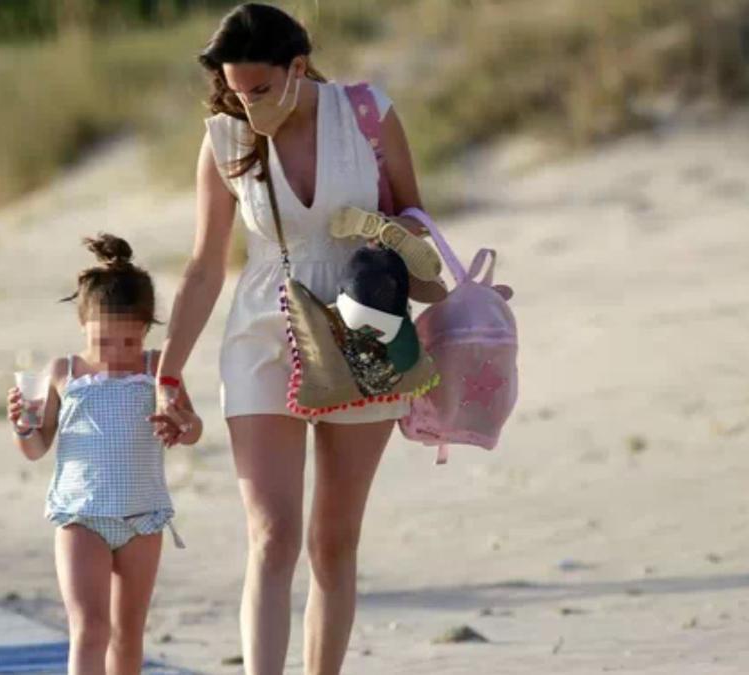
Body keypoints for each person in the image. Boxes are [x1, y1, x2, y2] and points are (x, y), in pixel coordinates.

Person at [154, 4, 438, 673]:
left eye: (259, 89)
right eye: (234, 89)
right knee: (272, 535)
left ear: (298, 68)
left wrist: (384, 235)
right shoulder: (224, 137)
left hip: (366, 322)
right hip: (263, 328)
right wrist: (168, 374)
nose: (245, 104)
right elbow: (203, 264)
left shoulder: (366, 114)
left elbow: (417, 219)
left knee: (333, 541)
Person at [6, 234, 202, 674]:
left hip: (142, 518)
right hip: (81, 517)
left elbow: (192, 427)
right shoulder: (64, 372)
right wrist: (23, 425)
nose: (115, 356)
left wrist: (181, 425)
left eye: (128, 343)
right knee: (90, 629)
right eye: (103, 343)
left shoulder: (157, 369)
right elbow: (37, 449)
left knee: (128, 634)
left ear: (147, 330)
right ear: (82, 326)